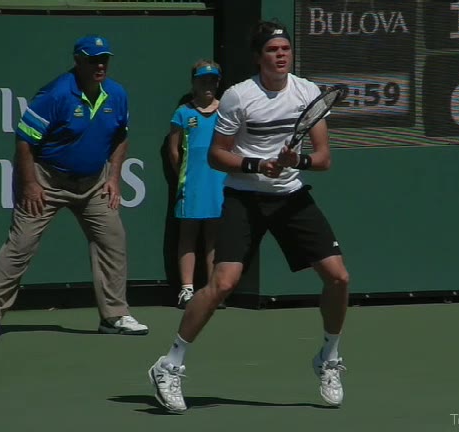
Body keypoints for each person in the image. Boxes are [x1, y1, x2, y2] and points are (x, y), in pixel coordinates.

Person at [148, 20, 349, 412]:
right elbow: (216, 155)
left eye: (285, 49)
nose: (280, 55)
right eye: (272, 50)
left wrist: (296, 161)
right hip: (244, 197)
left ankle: (329, 357)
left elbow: (324, 159)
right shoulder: (239, 97)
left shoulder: (307, 92)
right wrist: (257, 165)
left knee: (338, 277)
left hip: (290, 197)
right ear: (258, 57)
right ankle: (169, 365)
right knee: (223, 282)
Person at [0, 35, 148, 340]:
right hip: (45, 180)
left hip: (93, 183)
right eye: (93, 60)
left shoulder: (116, 94)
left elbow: (121, 136)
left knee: (112, 241)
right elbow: (24, 142)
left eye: (104, 59)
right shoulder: (55, 94)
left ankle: (114, 316)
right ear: (78, 61)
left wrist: (113, 178)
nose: (100, 65)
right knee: (21, 245)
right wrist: (30, 185)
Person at [167, 60, 226, 309]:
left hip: (219, 180)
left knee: (214, 236)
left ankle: (213, 289)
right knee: (188, 234)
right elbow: (173, 150)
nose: (208, 84)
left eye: (213, 80)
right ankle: (187, 290)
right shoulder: (183, 113)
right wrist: (184, 175)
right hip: (191, 182)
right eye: (203, 79)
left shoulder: (226, 111)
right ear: (194, 82)